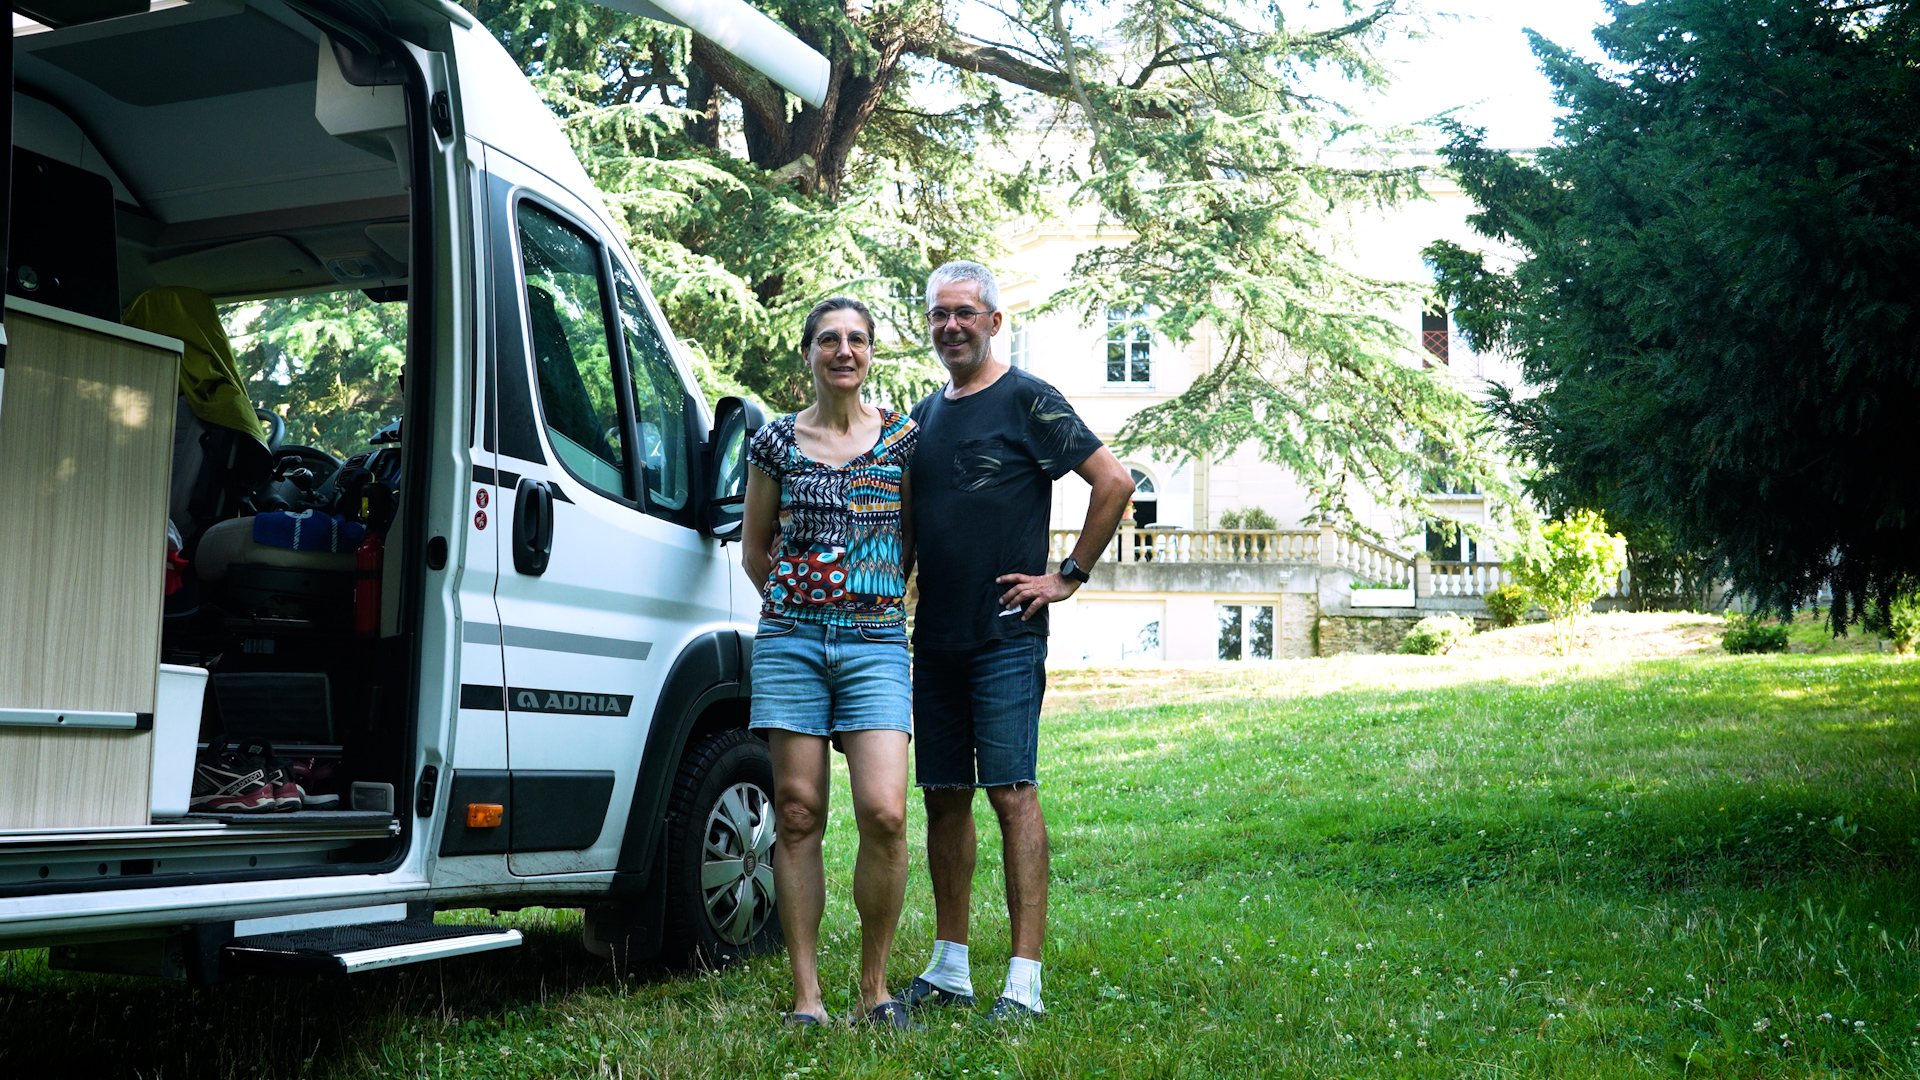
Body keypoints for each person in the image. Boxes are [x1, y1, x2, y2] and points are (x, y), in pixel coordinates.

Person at [899, 261, 1134, 1022]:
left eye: (965, 313)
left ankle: (1023, 985)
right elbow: (907, 524)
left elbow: (1115, 481)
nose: (951, 327)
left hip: (1005, 634)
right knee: (943, 798)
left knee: (1010, 792)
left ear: (994, 321)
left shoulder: (1026, 398)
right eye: (940, 315)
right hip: (932, 639)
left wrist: (1066, 575)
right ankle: (950, 970)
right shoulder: (923, 417)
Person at [742, 297, 920, 1030]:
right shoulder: (775, 442)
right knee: (797, 812)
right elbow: (756, 550)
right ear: (808, 354)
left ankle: (874, 989)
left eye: (856, 339)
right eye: (828, 339)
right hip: (791, 644)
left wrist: (867, 601)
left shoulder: (903, 439)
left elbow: (912, 542)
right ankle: (807, 997)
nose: (842, 350)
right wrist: (801, 608)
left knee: (884, 811)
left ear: (871, 352)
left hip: (876, 642)